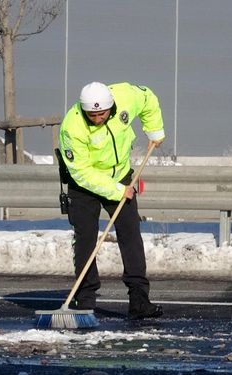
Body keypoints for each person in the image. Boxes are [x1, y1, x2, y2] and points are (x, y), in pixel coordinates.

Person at [59, 81, 165, 320]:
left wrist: (155, 130)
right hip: (84, 185)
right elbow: (81, 172)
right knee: (86, 238)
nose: (97, 119)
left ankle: (139, 299)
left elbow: (148, 98)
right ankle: (84, 299)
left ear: (111, 107)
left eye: (102, 114)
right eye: (92, 115)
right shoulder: (72, 127)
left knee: (130, 235)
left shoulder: (126, 96)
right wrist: (117, 191)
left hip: (121, 175)